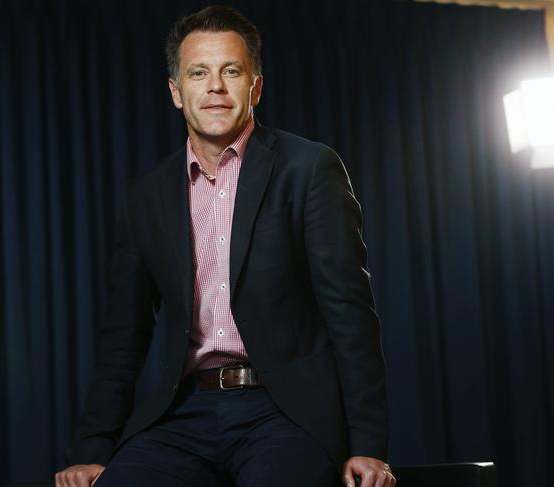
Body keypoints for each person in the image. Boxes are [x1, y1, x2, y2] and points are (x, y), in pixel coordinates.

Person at [55, 5, 395, 487]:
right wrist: (91, 448)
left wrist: (368, 448)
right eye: (199, 73)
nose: (215, 86)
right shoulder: (146, 196)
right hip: (186, 411)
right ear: (176, 91)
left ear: (255, 86)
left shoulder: (309, 169)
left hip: (284, 413)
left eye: (230, 71)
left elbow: (351, 316)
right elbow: (123, 336)